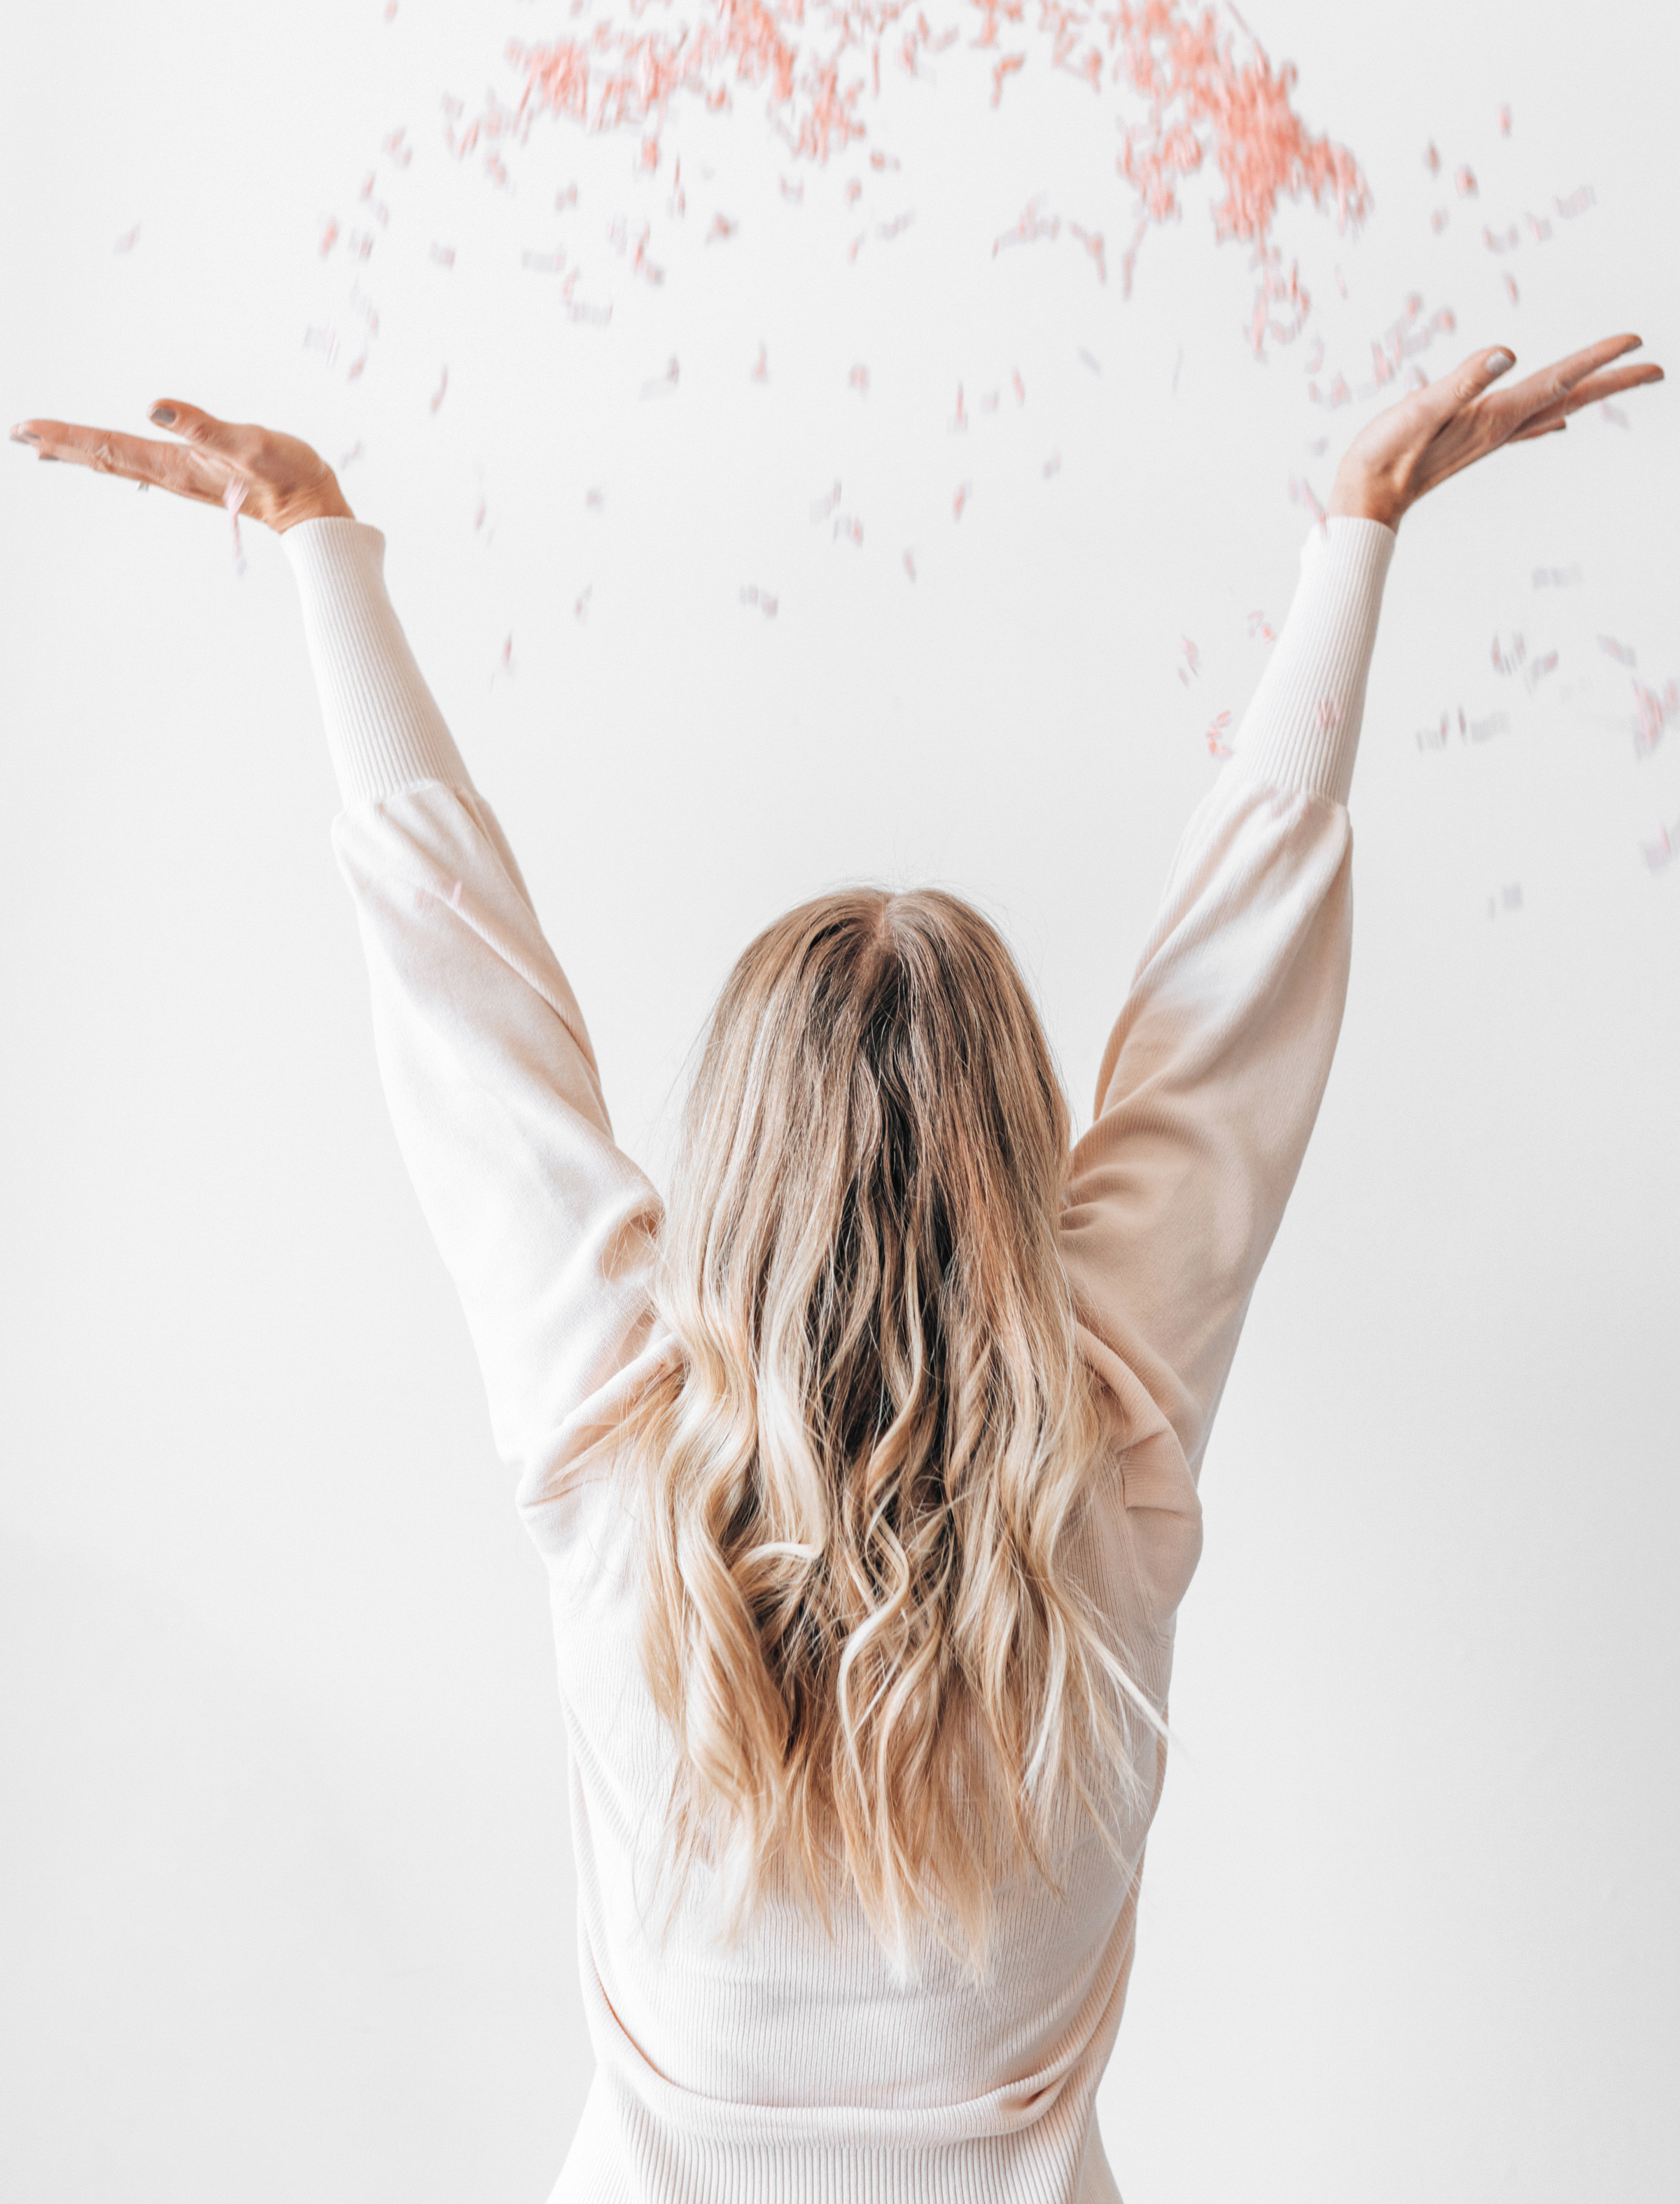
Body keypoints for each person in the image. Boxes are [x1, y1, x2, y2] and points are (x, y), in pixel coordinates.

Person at [10, 332, 1662, 2202]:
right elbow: (1229, 1006)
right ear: (1022, 1147)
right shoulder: (1108, 1441)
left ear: (740, 1155)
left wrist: (320, 546)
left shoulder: (621, 1437)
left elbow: (459, 994)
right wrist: (1351, 539)